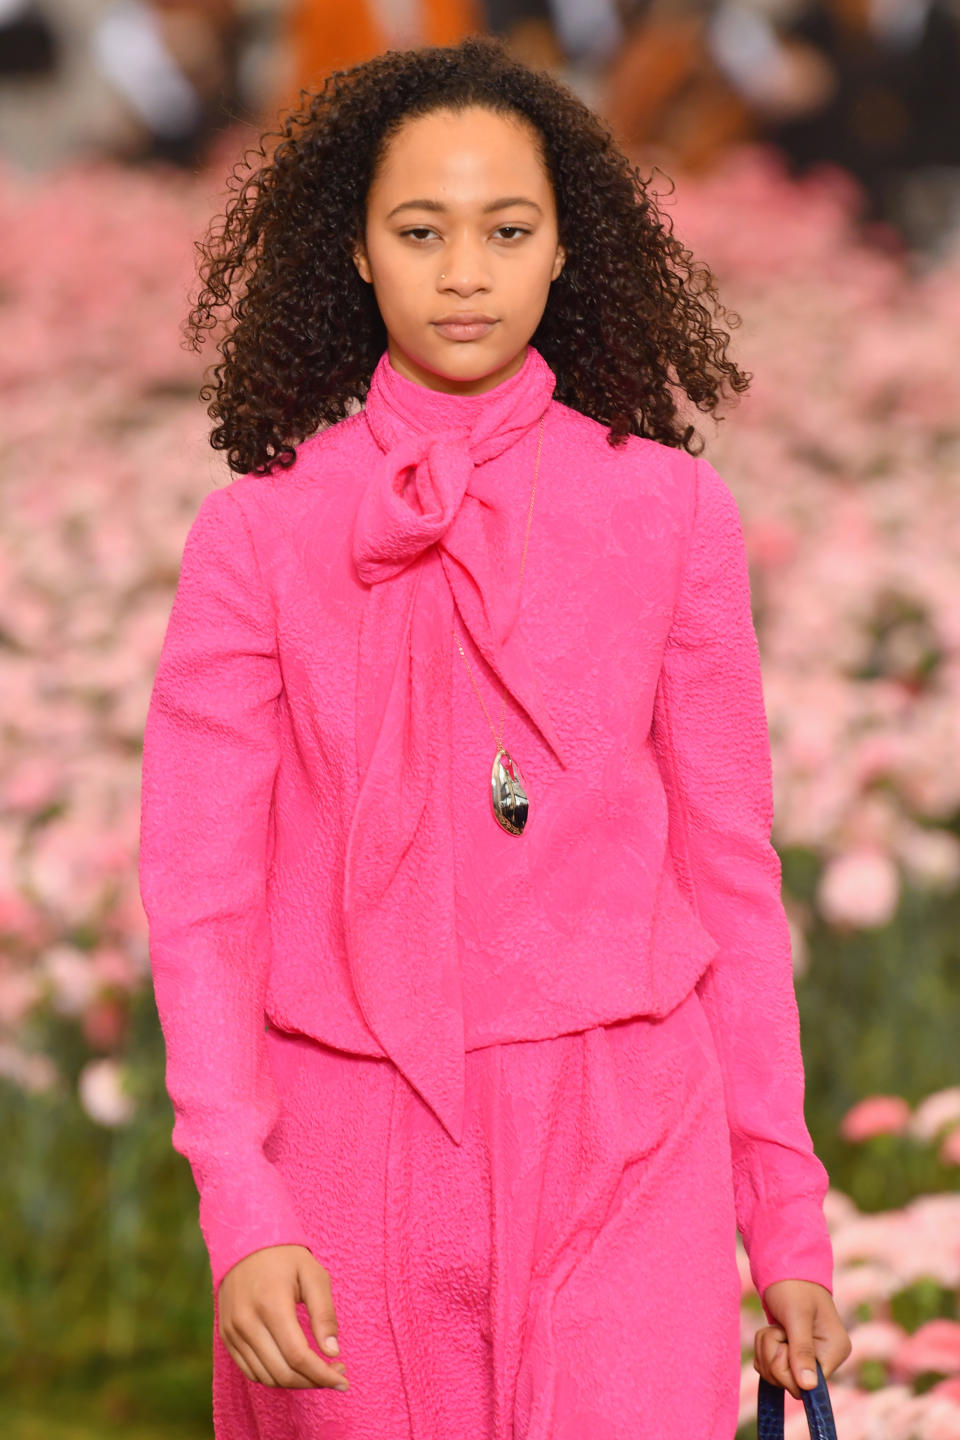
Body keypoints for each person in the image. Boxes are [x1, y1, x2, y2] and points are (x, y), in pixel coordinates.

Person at [137, 32, 852, 1439]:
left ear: (563, 249)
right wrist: (242, 1198)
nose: (464, 268)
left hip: (628, 1134)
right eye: (421, 229)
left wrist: (788, 1221)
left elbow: (731, 876)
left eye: (505, 228)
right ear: (354, 252)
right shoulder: (260, 538)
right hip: (343, 1152)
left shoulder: (671, 517)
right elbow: (200, 900)